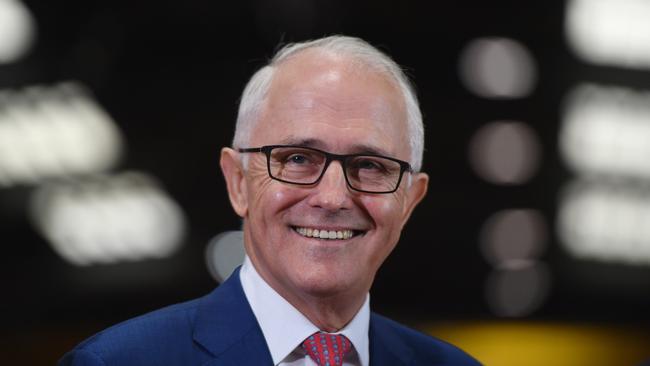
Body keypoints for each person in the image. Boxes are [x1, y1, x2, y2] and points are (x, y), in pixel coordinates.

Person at [60, 35, 480, 366]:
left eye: (370, 165)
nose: (333, 197)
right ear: (238, 182)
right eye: (297, 158)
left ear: (409, 200)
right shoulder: (118, 362)